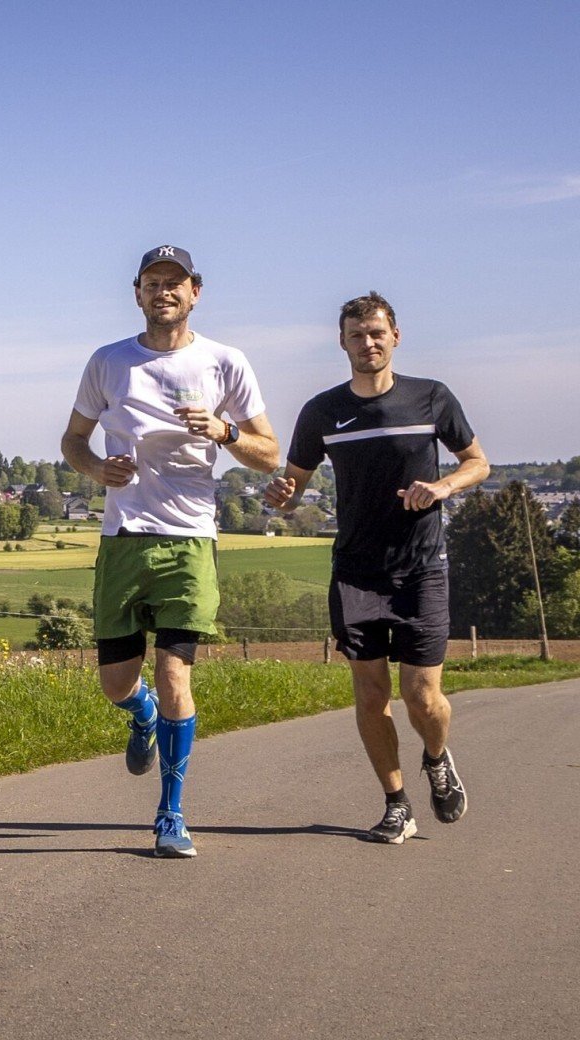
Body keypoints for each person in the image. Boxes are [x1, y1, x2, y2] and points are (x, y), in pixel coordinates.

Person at [61, 245, 280, 857]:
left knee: (175, 671)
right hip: (123, 538)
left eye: (174, 283)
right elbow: (73, 440)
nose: (164, 292)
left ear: (195, 292)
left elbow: (269, 453)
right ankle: (142, 714)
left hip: (190, 539)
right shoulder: (108, 361)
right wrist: (96, 469)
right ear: (137, 292)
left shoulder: (225, 361)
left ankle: (170, 813)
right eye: (153, 282)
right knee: (116, 684)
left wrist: (224, 431)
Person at [266, 291, 487, 844]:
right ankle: (396, 804)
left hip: (421, 568)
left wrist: (443, 487)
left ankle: (436, 758)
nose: (368, 343)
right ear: (342, 342)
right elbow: (294, 486)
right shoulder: (321, 411)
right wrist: (282, 495)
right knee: (370, 695)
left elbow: (477, 463)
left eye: (377, 333)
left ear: (395, 337)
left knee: (422, 697)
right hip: (356, 572)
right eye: (357, 335)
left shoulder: (431, 397)